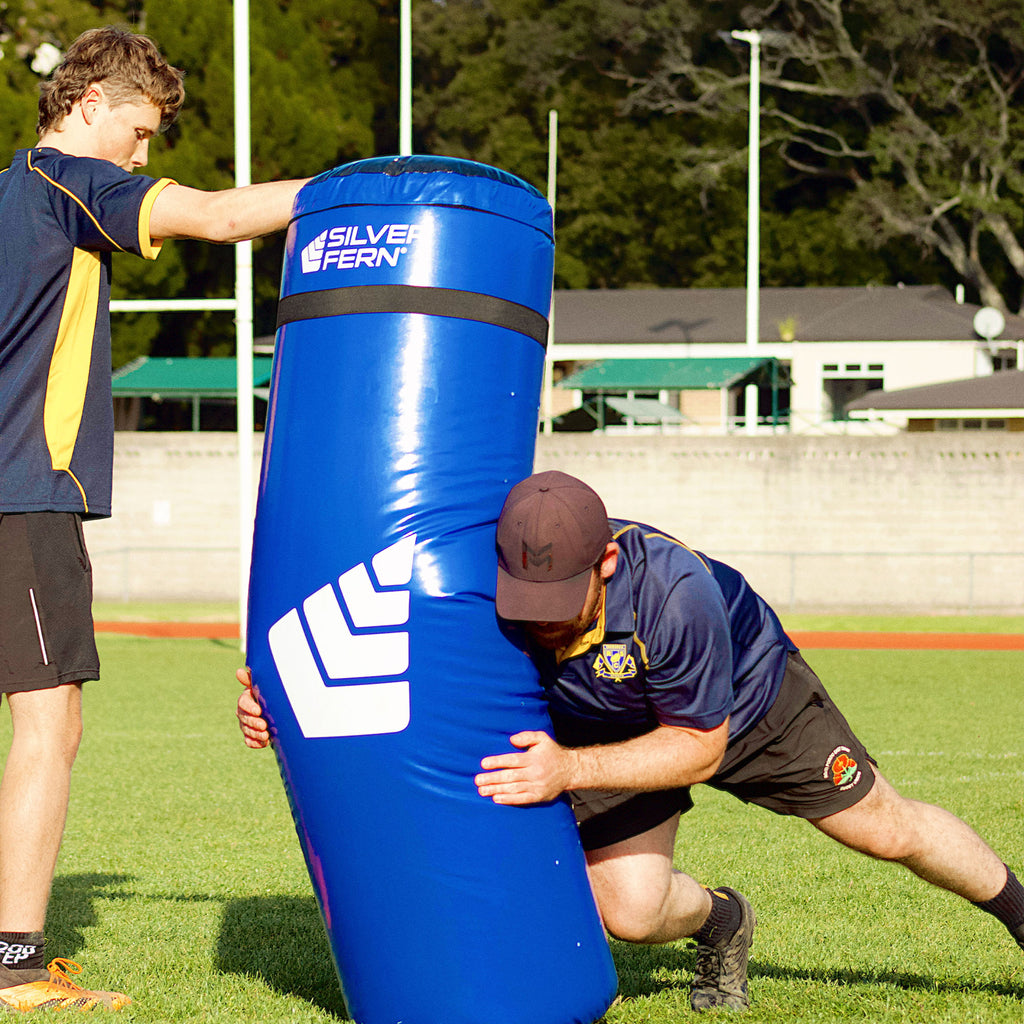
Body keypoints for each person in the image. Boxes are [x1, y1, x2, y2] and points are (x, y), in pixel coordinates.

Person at [236, 470, 1024, 1012]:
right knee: (635, 914)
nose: (538, 615)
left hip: (743, 706)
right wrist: (285, 710)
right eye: (524, 594)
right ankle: (722, 921)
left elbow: (699, 747)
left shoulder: (673, 594)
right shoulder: (482, 584)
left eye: (558, 597)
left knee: (886, 829)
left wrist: (567, 770)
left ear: (606, 559)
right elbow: (384, 668)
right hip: (598, 727)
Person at [1, 25, 310, 1013]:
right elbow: (218, 218)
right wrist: (359, 191)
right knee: (51, 726)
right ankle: (13, 965)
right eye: (137, 132)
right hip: (22, 498)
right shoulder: (68, 181)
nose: (142, 156)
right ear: (87, 106)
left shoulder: (11, 193)